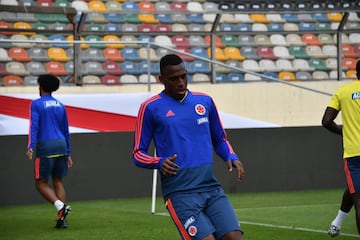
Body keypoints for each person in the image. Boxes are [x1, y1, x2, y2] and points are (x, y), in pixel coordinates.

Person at [132, 54, 245, 240]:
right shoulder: (150, 108)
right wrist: (159, 162)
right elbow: (138, 153)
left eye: (184, 76)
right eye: (173, 79)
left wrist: (231, 156)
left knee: (234, 237)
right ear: (161, 80)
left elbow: (219, 139)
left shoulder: (204, 101)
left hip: (211, 188)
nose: (181, 82)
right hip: (180, 193)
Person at [26, 74, 73, 229]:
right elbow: (66, 130)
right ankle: (62, 220)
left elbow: (34, 126)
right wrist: (68, 152)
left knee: (40, 183)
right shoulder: (60, 105)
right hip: (61, 145)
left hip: (46, 147)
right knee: (58, 182)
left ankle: (60, 206)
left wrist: (30, 146)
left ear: (41, 87)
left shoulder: (36, 104)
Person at [322, 59, 360, 237]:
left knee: (357, 196)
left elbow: (326, 121)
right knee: (354, 190)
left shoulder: (344, 91)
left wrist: (342, 132)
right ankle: (337, 223)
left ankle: (336, 223)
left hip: (354, 154)